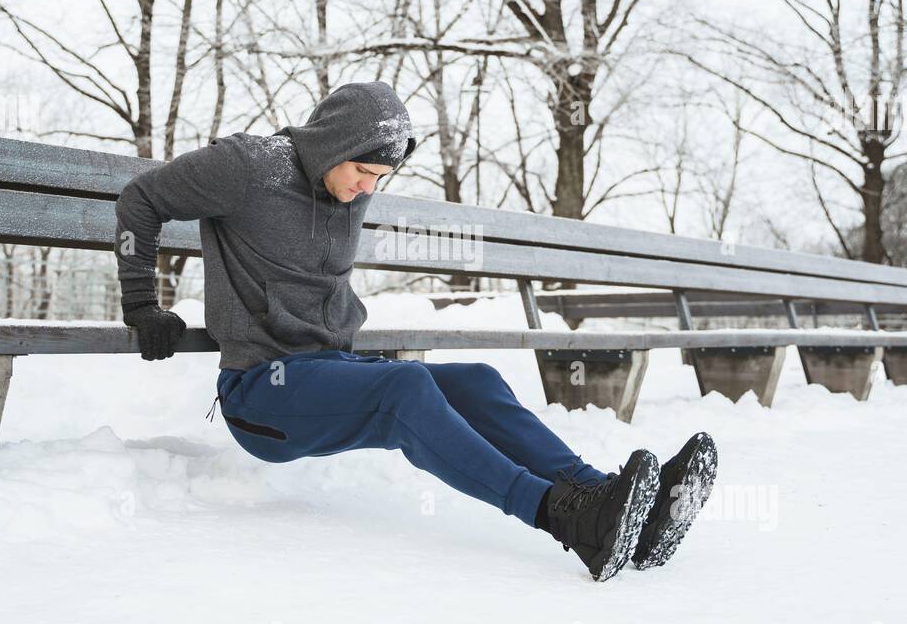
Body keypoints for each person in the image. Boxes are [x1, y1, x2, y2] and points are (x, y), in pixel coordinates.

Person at [113, 80, 716, 582]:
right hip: (261, 393)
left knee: (477, 380)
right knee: (405, 390)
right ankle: (564, 518)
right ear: (330, 146)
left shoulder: (347, 187)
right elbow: (141, 199)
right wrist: (143, 304)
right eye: (362, 171)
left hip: (331, 372)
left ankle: (612, 502)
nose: (368, 188)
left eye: (381, 177)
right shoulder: (247, 166)